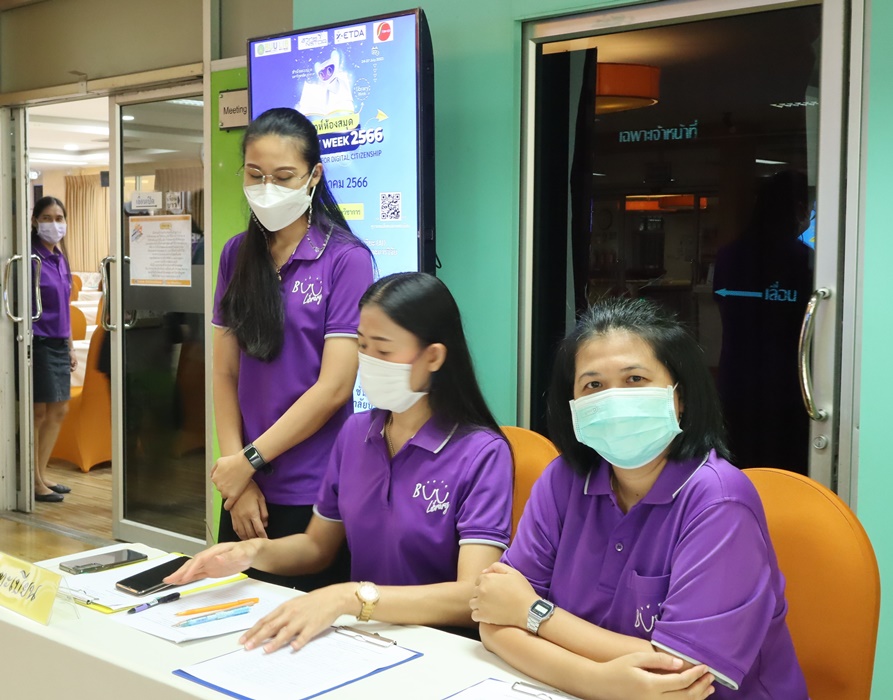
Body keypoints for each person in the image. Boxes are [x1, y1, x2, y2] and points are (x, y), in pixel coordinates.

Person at [470, 297, 807, 700]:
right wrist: (599, 681)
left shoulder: (719, 501)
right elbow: (494, 618)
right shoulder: (562, 480)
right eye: (593, 385)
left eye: (634, 379)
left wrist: (533, 613)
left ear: (680, 397)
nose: (614, 399)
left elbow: (684, 672)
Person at [167, 272, 513, 650]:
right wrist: (250, 552)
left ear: (434, 356)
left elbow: (471, 596)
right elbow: (317, 548)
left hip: (438, 647)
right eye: (362, 346)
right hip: (362, 639)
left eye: (384, 351)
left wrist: (350, 598)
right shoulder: (355, 433)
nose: (369, 362)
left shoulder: (482, 453)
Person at [210, 107, 374, 589]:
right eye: (255, 175)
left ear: (313, 176)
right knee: (232, 615)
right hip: (243, 485)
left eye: (283, 177)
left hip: (313, 489)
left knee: (303, 624)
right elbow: (224, 372)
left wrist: (249, 461)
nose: (268, 188)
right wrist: (236, 476)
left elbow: (334, 387)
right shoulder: (236, 254)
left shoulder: (346, 259)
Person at [713, 170, 814, 474]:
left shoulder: (729, 256)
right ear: (797, 207)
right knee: (784, 474)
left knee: (740, 469)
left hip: (736, 382)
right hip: (788, 387)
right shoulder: (803, 260)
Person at [31, 196, 75, 503]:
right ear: (35, 221)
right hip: (39, 341)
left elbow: (65, 307)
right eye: (47, 218)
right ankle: (33, 480)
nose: (54, 224)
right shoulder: (32, 259)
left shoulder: (59, 257)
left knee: (59, 410)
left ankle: (42, 473)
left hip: (60, 342)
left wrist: (70, 345)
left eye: (59, 218)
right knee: (38, 412)